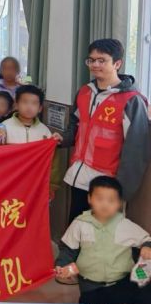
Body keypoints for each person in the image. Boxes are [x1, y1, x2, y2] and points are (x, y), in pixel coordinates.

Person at [61, 39, 150, 223]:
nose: (95, 64)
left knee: (100, 235)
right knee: (75, 228)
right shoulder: (84, 92)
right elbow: (75, 126)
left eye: (102, 60)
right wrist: (62, 138)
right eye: (91, 60)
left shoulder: (131, 100)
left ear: (117, 63)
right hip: (79, 175)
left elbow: (136, 150)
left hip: (107, 184)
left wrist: (122, 190)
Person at [55, 176, 151, 304]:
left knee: (145, 289)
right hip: (91, 287)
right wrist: (62, 264)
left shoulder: (124, 225)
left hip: (122, 282)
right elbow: (68, 248)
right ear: (89, 198)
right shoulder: (80, 224)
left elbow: (146, 239)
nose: (105, 205)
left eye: (111, 200)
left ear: (119, 203)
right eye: (99, 199)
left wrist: (147, 246)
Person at [3, 85, 62, 199]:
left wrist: (51, 185)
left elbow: (53, 161)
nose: (29, 107)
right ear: (16, 105)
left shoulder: (44, 132)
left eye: (34, 103)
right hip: (10, 183)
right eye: (25, 102)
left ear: (40, 108)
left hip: (36, 184)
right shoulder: (5, 127)